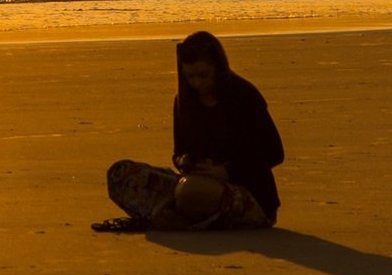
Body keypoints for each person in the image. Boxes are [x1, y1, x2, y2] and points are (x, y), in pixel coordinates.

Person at [93, 30, 283, 232]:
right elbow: (178, 152)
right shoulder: (184, 102)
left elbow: (274, 153)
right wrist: (184, 161)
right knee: (121, 175)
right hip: (194, 181)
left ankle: (172, 218)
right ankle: (175, 216)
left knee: (189, 192)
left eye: (203, 75)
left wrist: (226, 171)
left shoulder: (244, 96)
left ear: (218, 69)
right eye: (190, 76)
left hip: (245, 193)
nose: (197, 83)